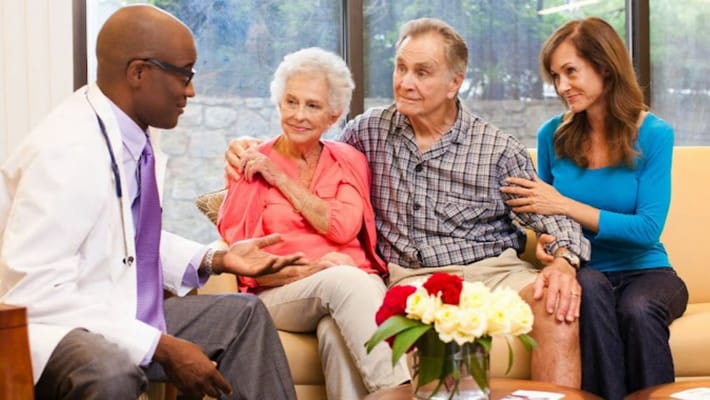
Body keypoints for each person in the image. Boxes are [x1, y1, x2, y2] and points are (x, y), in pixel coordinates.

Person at [226, 18, 592, 387]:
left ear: (454, 83)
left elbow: (552, 215)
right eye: (401, 68)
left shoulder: (496, 149)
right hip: (410, 281)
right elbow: (308, 137)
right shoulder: (368, 133)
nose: (405, 82)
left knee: (556, 307)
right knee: (349, 326)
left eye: (422, 72)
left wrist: (563, 261)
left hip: (493, 274)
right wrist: (246, 145)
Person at [0, 5, 304, 400]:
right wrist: (160, 346)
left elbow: (124, 237)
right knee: (108, 369)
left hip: (116, 307)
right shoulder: (66, 150)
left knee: (242, 316)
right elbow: (35, 294)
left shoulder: (128, 136)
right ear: (138, 72)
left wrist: (218, 259)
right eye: (185, 74)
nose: (191, 90)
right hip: (59, 328)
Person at [500, 17, 689, 399]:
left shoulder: (654, 134)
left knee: (637, 309)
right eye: (556, 75)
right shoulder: (552, 134)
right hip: (586, 270)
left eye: (571, 71)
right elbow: (544, 216)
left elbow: (646, 230)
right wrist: (547, 242)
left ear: (604, 66)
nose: (562, 86)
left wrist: (565, 205)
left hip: (648, 272)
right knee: (588, 289)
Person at [216, 47, 410, 399]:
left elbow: (341, 227)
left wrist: (279, 178)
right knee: (346, 279)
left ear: (333, 115)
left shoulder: (348, 160)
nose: (298, 115)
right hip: (280, 292)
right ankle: (399, 391)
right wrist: (314, 270)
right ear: (278, 103)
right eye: (291, 102)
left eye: (312, 106)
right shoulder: (251, 163)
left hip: (347, 290)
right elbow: (247, 267)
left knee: (336, 335)